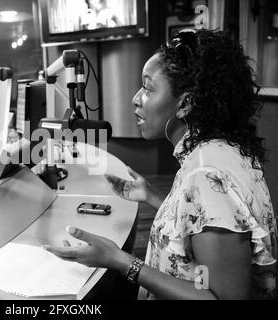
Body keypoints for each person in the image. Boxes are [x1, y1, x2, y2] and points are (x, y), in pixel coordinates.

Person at [44, 30, 277, 299]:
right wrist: (153, 196)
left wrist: (120, 261)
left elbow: (221, 298)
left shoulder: (206, 175)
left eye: (148, 87)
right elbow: (204, 224)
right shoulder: (216, 152)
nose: (135, 98)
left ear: (186, 103)